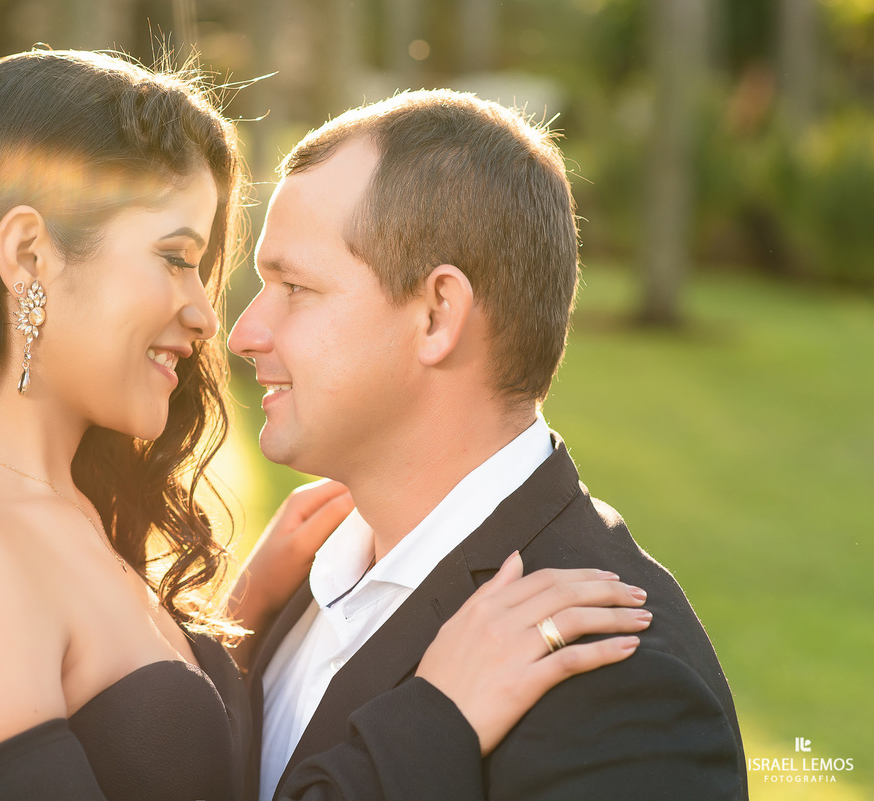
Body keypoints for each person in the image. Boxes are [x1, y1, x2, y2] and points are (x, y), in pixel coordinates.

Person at [0, 51, 649, 801]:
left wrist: (236, 636)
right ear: (29, 255)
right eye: (177, 259)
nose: (208, 316)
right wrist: (437, 715)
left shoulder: (60, 514)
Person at [228, 90, 748, 801]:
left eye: (294, 286)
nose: (245, 334)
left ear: (438, 314)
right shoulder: (294, 583)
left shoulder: (613, 679)